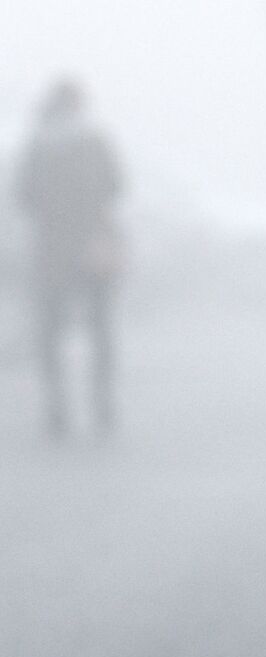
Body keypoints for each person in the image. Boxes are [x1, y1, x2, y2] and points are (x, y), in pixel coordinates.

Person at [14, 78, 124, 439]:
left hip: (52, 252)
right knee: (100, 330)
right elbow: (118, 185)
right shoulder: (96, 142)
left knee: (50, 334)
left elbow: (22, 196)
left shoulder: (38, 146)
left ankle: (57, 410)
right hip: (95, 246)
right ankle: (102, 406)